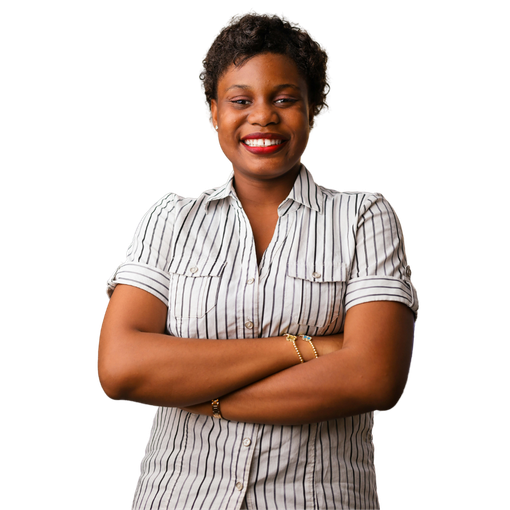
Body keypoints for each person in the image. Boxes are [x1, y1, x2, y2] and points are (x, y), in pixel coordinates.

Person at [97, 10, 420, 510]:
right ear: (213, 114)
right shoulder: (169, 218)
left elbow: (373, 376)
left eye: (285, 99)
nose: (263, 116)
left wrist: (204, 396)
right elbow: (121, 368)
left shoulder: (364, 216)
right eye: (240, 100)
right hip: (180, 498)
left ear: (314, 110)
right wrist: (306, 348)